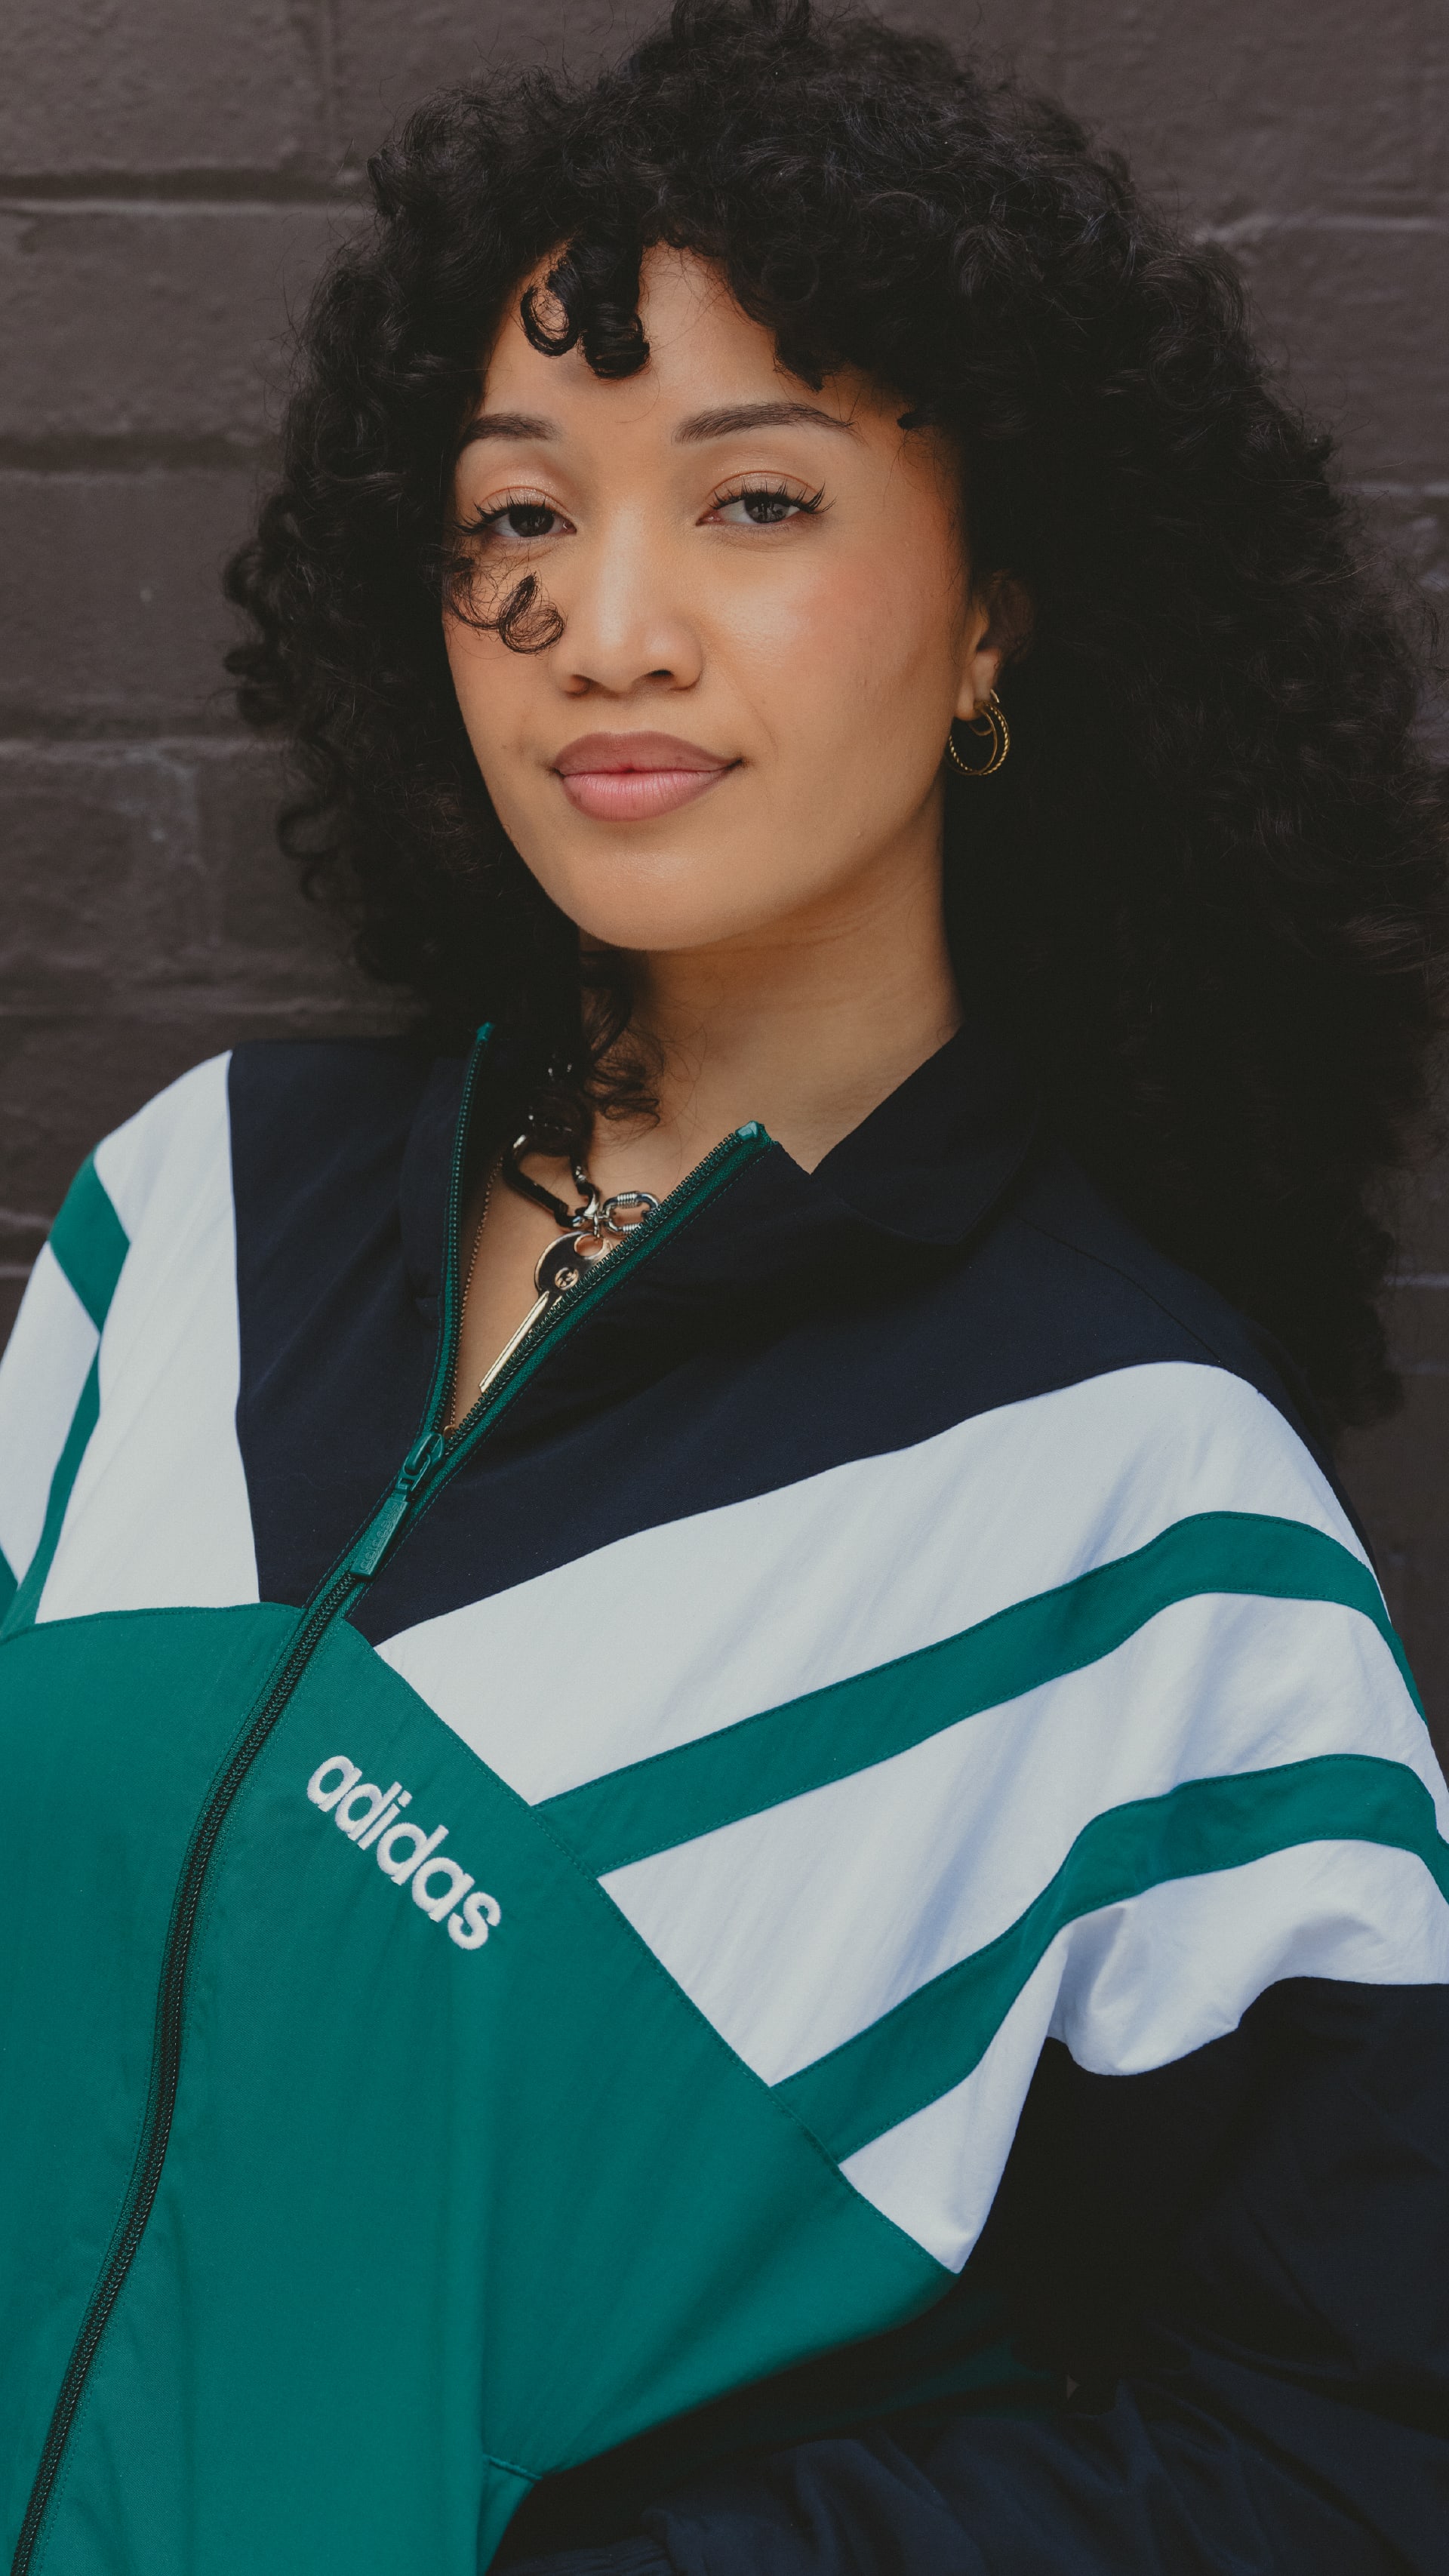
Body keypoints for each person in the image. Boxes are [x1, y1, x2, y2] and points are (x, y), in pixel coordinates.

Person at [1, 3, 1446, 2569]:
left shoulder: (1145, 1518)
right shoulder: (180, 1224)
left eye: (757, 502)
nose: (605, 623)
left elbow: (1343, 2439)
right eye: (514, 511)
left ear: (1001, 618)